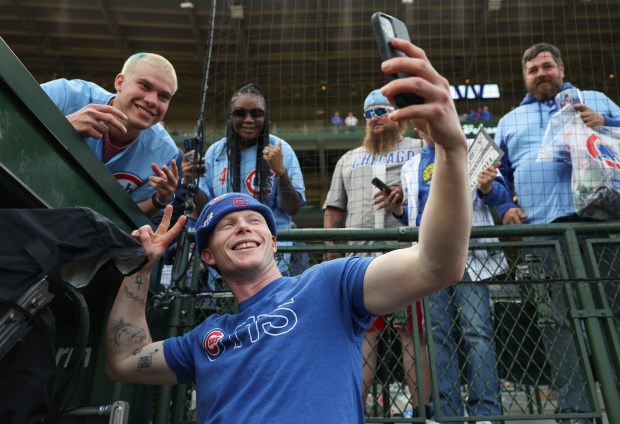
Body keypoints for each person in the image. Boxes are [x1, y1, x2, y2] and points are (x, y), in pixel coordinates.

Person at [104, 38, 472, 423]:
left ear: (273, 240)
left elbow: (438, 265)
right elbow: (125, 361)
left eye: (255, 220)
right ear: (208, 254)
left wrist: (451, 148)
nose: (243, 225)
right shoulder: (205, 338)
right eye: (227, 224)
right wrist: (140, 272)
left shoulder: (329, 285)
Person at [495, 42, 620, 423]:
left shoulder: (594, 99)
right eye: (532, 70)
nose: (540, 74)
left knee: (615, 317)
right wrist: (504, 206)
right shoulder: (508, 121)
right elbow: (496, 176)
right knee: (558, 327)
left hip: (602, 227)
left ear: (561, 68)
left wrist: (606, 122)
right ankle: (576, 411)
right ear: (525, 77)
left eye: (546, 66)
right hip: (544, 236)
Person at [388, 121, 512, 424]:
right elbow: (415, 214)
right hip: (431, 259)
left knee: (477, 334)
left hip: (471, 256)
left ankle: (486, 414)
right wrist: (399, 211)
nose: (427, 129)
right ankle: (448, 414)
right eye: (422, 127)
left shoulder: (471, 150)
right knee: (438, 336)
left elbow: (501, 195)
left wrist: (487, 187)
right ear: (418, 131)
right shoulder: (412, 165)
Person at [322, 89, 428, 417]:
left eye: (382, 110)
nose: (375, 118)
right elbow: (333, 209)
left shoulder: (418, 147)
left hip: (405, 256)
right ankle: (356, 411)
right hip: (359, 261)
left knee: (412, 334)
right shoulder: (349, 158)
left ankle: (422, 409)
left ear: (396, 115)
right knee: (363, 337)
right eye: (369, 113)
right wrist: (329, 251)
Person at [184, 83, 306, 276]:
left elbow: (293, 208)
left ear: (265, 117)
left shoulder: (281, 149)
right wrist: (190, 182)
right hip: (225, 261)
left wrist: (281, 173)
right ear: (230, 116)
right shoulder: (215, 152)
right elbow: (205, 209)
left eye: (256, 113)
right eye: (240, 113)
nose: (248, 120)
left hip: (274, 261)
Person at [41, 53, 180, 219]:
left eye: (164, 96)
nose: (152, 101)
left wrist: (159, 200)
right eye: (144, 86)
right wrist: (62, 126)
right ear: (120, 82)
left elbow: (127, 219)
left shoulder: (164, 152)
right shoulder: (67, 95)